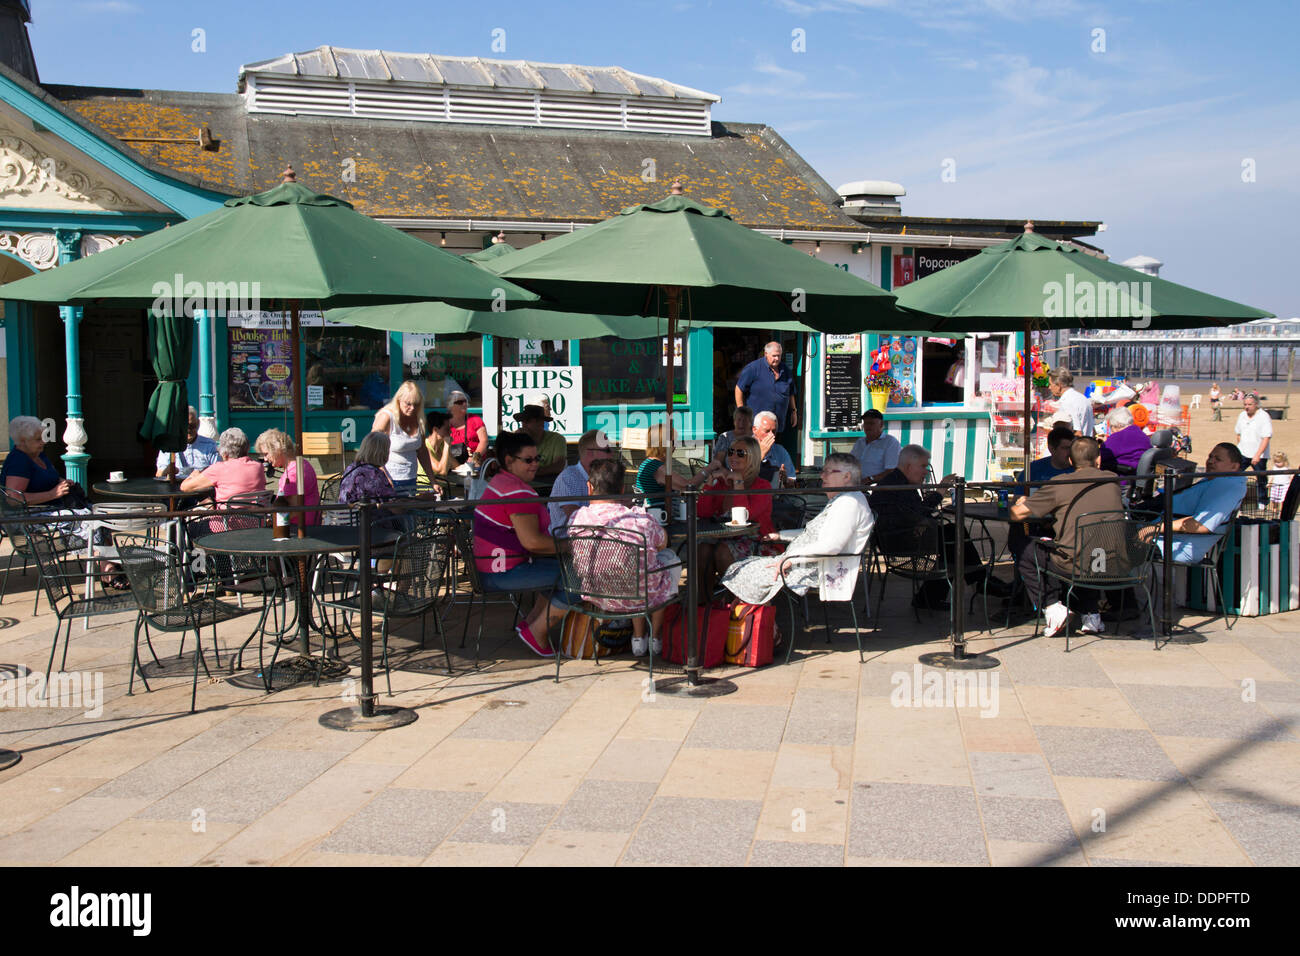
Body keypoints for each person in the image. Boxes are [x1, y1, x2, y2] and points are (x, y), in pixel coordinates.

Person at [721, 453, 875, 606]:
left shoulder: (849, 503)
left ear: (847, 477)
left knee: (744, 570)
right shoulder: (842, 500)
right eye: (823, 471)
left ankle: (754, 617)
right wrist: (780, 535)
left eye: (828, 471)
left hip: (816, 569)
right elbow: (813, 533)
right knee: (741, 567)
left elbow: (831, 546)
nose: (822, 476)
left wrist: (791, 559)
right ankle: (750, 615)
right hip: (803, 563)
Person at [872, 444, 1012, 608]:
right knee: (953, 537)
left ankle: (932, 597)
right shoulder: (899, 485)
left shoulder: (897, 481)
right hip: (898, 541)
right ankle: (981, 582)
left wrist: (925, 520)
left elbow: (915, 514)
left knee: (952, 537)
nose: (926, 471)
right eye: (923, 466)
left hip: (897, 537)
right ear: (909, 466)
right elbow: (919, 513)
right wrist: (940, 491)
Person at [568, 457, 683, 658]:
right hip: (641, 595)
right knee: (669, 560)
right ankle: (655, 637)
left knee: (641, 569)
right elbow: (662, 542)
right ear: (622, 489)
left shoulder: (577, 519)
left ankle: (638, 638)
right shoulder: (639, 520)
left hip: (597, 595)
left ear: (590, 487)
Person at [1010, 437, 1125, 637]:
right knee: (1089, 544)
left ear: (1071, 461)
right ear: (1098, 459)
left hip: (1075, 562)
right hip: (1111, 562)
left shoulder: (1061, 483)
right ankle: (1091, 615)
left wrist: (1022, 502)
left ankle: (1052, 607)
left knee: (1022, 545)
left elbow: (1016, 515)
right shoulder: (1113, 481)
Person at [473, 430, 574, 657]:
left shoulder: (501, 481)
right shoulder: (516, 491)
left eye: (538, 458)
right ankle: (537, 632)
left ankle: (530, 623)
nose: (535, 464)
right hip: (502, 573)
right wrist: (572, 546)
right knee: (578, 578)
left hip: (491, 569)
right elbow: (533, 542)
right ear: (509, 461)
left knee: (564, 568)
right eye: (528, 460)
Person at [1133, 443, 1248, 638]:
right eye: (1210, 456)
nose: (1210, 461)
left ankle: (1155, 622)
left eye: (1218, 459)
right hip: (1165, 534)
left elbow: (1201, 525)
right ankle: (1123, 608)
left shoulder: (1227, 485)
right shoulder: (1214, 480)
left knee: (1129, 551)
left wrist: (1155, 529)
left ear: (1234, 466)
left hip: (1177, 543)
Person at [696, 436, 780, 599]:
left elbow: (746, 517)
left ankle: (739, 601)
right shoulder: (723, 483)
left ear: (752, 458)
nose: (733, 457)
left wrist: (739, 483)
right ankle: (704, 605)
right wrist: (709, 483)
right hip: (725, 537)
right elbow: (702, 512)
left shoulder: (762, 486)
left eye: (740, 453)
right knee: (702, 549)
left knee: (722, 551)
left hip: (758, 541)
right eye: (731, 452)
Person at [1, 416, 95, 539]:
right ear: (23, 441)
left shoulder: (38, 455)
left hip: (49, 510)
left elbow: (47, 477)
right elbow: (13, 499)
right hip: (24, 516)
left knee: (97, 512)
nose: (43, 442)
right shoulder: (19, 461)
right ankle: (97, 550)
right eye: (38, 439)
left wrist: (62, 482)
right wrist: (52, 494)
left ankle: (101, 550)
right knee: (88, 519)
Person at [371, 381, 437, 496]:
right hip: (389, 479)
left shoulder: (419, 418)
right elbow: (372, 450)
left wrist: (433, 481)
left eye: (416, 404)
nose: (412, 408)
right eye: (408, 404)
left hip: (411, 478)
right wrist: (385, 478)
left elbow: (422, 451)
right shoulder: (386, 417)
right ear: (398, 400)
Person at [549, 429, 616, 531]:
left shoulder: (603, 476)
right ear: (590, 453)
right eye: (607, 450)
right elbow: (575, 517)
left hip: (595, 536)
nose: (612, 453)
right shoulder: (569, 477)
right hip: (567, 539)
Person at [180, 427, 266, 506]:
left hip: (227, 517)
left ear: (224, 452)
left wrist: (193, 475)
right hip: (256, 517)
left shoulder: (219, 469)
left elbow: (184, 487)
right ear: (247, 448)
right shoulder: (258, 467)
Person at [634, 422, 710, 508]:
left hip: (655, 512)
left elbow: (684, 488)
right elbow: (688, 486)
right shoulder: (657, 468)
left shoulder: (648, 463)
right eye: (673, 442)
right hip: (658, 514)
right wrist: (709, 468)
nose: (675, 446)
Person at [254, 429, 320, 525]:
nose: (265, 459)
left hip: (296, 528)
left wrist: (270, 520)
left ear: (277, 450)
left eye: (266, 454)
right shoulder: (303, 464)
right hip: (310, 524)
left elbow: (289, 511)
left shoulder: (292, 474)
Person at [735, 340, 796, 435]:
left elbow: (791, 392)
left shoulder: (786, 370)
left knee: (776, 444)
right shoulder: (753, 368)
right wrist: (741, 412)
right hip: (757, 426)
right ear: (766, 354)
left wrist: (793, 411)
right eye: (774, 356)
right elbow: (739, 389)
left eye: (779, 356)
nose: (777, 358)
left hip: (777, 425)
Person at [155, 406, 219, 478]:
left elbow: (218, 471)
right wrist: (167, 470)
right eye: (184, 427)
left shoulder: (209, 445)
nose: (188, 430)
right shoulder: (169, 445)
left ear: (198, 424)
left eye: (191, 426)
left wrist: (202, 473)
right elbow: (159, 474)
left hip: (201, 483)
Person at [339, 432, 399, 506]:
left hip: (344, 512)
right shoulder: (374, 473)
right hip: (365, 512)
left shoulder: (351, 467)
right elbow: (392, 504)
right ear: (382, 452)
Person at [514, 404, 566, 479]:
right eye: (523, 421)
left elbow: (559, 465)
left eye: (528, 421)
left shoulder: (557, 439)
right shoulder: (517, 439)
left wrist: (532, 472)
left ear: (541, 423)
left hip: (548, 483)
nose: (523, 425)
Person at [850, 408, 901, 484]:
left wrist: (870, 479)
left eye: (871, 423)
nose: (868, 426)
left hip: (878, 486)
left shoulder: (890, 442)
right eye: (866, 423)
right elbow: (850, 463)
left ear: (881, 424)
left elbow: (891, 471)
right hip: (857, 484)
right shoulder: (860, 442)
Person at [1098, 406, 1151, 474]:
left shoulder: (1116, 438)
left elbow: (1099, 457)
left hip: (1121, 477)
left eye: (1111, 426)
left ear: (1118, 425)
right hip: (1141, 475)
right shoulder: (1143, 436)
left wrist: (1104, 444)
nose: (1111, 430)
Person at [752, 410, 796, 486]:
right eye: (767, 431)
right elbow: (742, 477)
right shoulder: (743, 447)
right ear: (755, 430)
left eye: (774, 431)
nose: (771, 435)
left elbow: (792, 481)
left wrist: (785, 480)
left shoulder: (780, 451)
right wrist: (761, 455)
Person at [1048, 369, 1095, 437]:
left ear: (1059, 385)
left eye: (1050, 384)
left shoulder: (1067, 402)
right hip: (1088, 440)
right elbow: (1092, 430)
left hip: (1078, 442)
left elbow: (1077, 432)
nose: (1049, 387)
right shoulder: (1083, 398)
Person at [447, 389, 488, 465]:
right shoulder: (445, 423)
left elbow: (484, 441)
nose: (464, 404)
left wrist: (474, 459)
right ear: (451, 405)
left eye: (465, 401)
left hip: (475, 462)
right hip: (453, 461)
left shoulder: (475, 419)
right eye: (460, 402)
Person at [1235, 393, 1272, 474]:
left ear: (1256, 404)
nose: (1247, 407)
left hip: (1259, 456)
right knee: (1235, 474)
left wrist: (1258, 455)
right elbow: (1238, 434)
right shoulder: (1242, 415)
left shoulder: (1264, 416)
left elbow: (1266, 438)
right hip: (1243, 453)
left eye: (1249, 404)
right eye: (1245, 404)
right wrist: (1240, 449)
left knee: (1261, 478)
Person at [419, 410, 453, 488]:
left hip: (441, 486)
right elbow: (442, 471)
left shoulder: (441, 446)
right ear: (435, 430)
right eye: (447, 429)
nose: (450, 432)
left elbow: (455, 465)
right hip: (426, 489)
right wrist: (447, 445)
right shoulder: (425, 447)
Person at [1268, 450, 1292, 514]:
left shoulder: (1287, 468)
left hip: (1285, 485)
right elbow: (1272, 476)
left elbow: (1291, 476)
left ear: (1284, 461)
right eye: (1275, 462)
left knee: (1284, 499)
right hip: (1275, 485)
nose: (1277, 463)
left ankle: (1283, 510)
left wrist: (1291, 483)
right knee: (1274, 499)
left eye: (1279, 462)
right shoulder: (1274, 468)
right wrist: (1269, 482)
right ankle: (1275, 510)